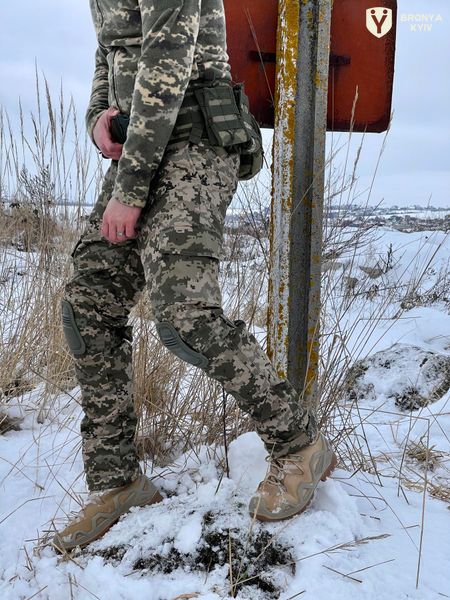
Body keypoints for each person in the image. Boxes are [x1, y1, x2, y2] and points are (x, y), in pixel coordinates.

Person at [52, 0, 336, 553]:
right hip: (143, 144)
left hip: (195, 143)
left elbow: (168, 55)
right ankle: (118, 484)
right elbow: (109, 48)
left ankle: (298, 444)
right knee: (87, 303)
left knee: (185, 319)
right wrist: (97, 117)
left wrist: (130, 192)